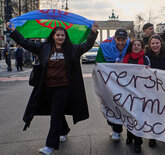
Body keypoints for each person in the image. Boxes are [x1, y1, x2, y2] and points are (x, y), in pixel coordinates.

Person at [7, 22, 98, 155]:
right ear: (53, 36)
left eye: (63, 35)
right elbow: (26, 44)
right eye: (58, 35)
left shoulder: (72, 49)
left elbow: (87, 45)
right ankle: (64, 130)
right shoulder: (44, 48)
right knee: (56, 112)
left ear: (65, 37)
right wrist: (13, 31)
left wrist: (93, 32)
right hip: (46, 87)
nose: (60, 37)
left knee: (55, 115)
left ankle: (50, 145)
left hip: (64, 87)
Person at [95, 29, 130, 141]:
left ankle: (122, 130)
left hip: (125, 83)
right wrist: (113, 66)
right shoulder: (105, 45)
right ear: (114, 38)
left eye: (123, 40)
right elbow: (98, 63)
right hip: (109, 82)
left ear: (126, 39)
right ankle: (115, 129)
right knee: (110, 105)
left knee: (125, 106)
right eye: (118, 40)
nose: (121, 42)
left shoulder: (130, 45)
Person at [145, 35, 165, 147]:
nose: (155, 45)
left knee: (164, 113)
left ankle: (163, 134)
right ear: (149, 45)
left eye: (157, 43)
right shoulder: (146, 55)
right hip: (151, 89)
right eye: (152, 43)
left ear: (161, 44)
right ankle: (152, 136)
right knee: (152, 113)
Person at [122, 39, 150, 153]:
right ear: (131, 46)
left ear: (142, 47)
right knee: (129, 115)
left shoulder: (145, 58)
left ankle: (138, 142)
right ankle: (129, 135)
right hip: (127, 91)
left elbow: (151, 75)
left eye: (139, 45)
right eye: (135, 45)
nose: (136, 46)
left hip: (141, 93)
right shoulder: (126, 57)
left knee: (138, 117)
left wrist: (148, 71)